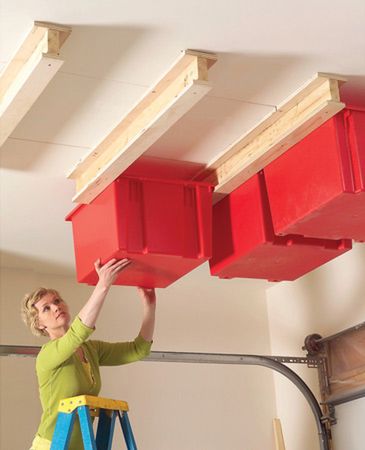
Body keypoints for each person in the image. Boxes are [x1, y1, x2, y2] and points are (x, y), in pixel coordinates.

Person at [21, 258, 156, 450]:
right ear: (39, 324)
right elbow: (78, 331)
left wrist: (149, 305)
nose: (56, 307)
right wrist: (103, 285)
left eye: (57, 301)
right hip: (50, 445)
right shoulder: (47, 355)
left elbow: (138, 350)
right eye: (46, 308)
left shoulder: (91, 350)